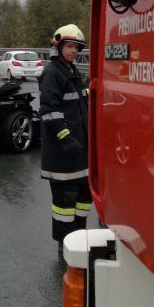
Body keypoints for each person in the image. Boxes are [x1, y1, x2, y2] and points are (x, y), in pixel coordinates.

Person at [38, 24, 91, 247]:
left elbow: (81, 106)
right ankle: (66, 246)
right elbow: (49, 111)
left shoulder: (73, 72)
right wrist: (66, 138)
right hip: (63, 153)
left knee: (84, 198)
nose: (73, 51)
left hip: (79, 152)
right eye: (69, 46)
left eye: (76, 48)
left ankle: (80, 239)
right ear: (58, 47)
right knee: (64, 203)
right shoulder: (52, 73)